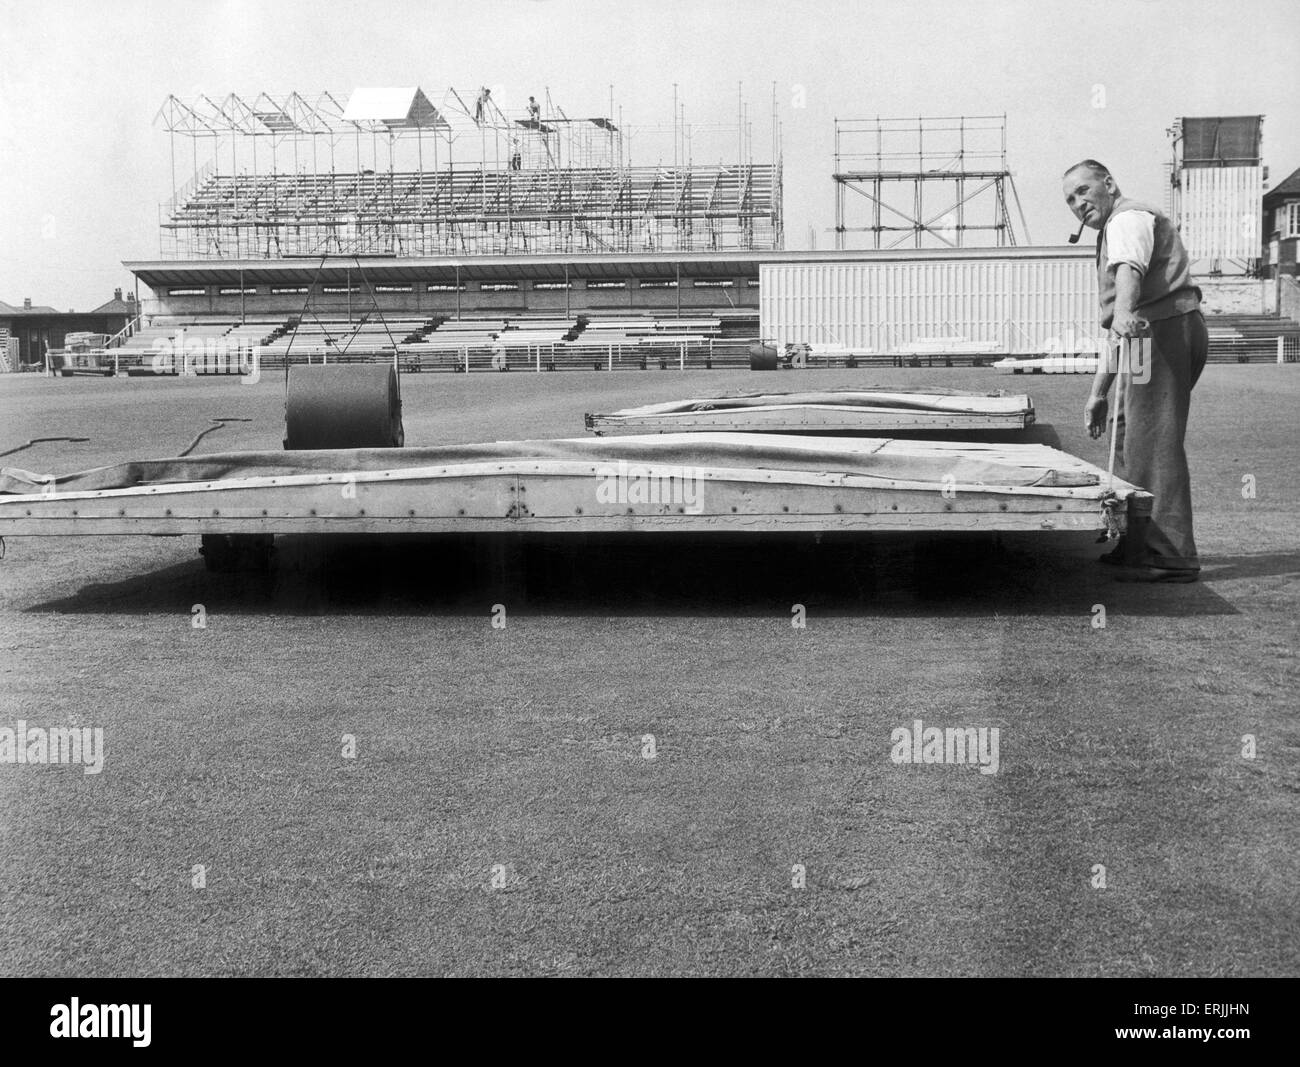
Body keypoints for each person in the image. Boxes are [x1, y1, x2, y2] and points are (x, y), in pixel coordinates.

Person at [1062, 159, 1207, 583]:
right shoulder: (1113, 227)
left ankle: (1170, 555)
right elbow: (1119, 331)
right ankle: (1136, 543)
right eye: (1070, 199)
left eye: (1084, 191)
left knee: (1155, 438)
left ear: (1108, 183)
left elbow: (1131, 271)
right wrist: (1099, 393)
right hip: (1146, 334)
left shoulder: (1127, 218)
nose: (1078, 203)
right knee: (1129, 431)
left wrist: (1124, 310)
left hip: (1164, 329)